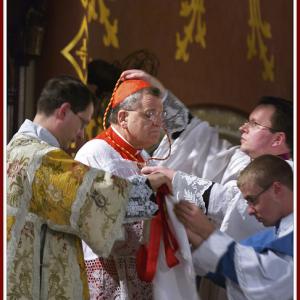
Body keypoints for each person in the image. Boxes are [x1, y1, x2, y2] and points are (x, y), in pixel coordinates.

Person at [121, 69, 293, 299]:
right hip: (224, 269)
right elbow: (199, 140)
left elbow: (238, 204)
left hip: (261, 276)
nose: (243, 127)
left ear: (278, 139)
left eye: (253, 124)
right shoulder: (240, 159)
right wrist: (159, 93)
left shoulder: (289, 175)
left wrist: (177, 180)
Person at [6, 75, 171, 300]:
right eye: (83, 122)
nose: (82, 133)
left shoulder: (15, 150)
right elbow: (95, 200)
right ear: (64, 111)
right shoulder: (40, 158)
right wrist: (148, 187)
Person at [75, 78, 198, 300]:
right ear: (123, 117)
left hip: (144, 275)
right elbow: (97, 221)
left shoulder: (144, 157)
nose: (158, 124)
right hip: (110, 274)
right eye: (149, 115)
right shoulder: (94, 153)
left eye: (160, 117)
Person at [173, 154, 293, 300]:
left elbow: (272, 284)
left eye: (252, 200)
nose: (249, 210)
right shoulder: (276, 231)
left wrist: (209, 232)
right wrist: (196, 237)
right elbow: (237, 275)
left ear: (277, 189)